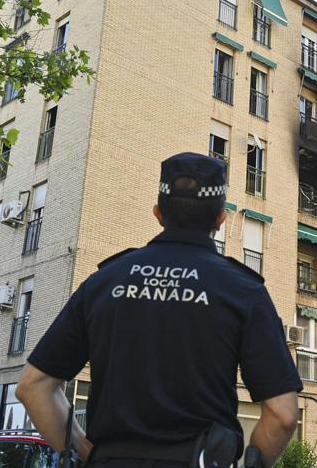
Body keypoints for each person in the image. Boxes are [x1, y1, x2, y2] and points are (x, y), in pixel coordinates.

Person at [17, 153, 302, 467]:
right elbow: (283, 415)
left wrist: (88, 455)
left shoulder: (104, 282)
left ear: (158, 214)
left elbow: (33, 387)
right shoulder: (243, 290)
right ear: (220, 220)